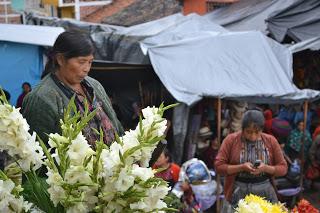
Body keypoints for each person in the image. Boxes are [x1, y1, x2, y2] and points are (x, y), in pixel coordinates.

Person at [22, 31, 123, 147]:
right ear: (60, 59)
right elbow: (39, 152)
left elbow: (117, 126)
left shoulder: (94, 85)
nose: (87, 69)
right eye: (82, 62)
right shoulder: (40, 99)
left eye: (90, 62)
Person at [215, 110, 287, 212]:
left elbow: (283, 168)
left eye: (257, 132)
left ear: (262, 130)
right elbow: (219, 167)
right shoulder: (231, 140)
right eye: (248, 132)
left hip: (265, 190)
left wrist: (265, 168)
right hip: (238, 191)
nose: (253, 136)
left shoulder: (271, 141)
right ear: (242, 129)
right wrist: (241, 167)